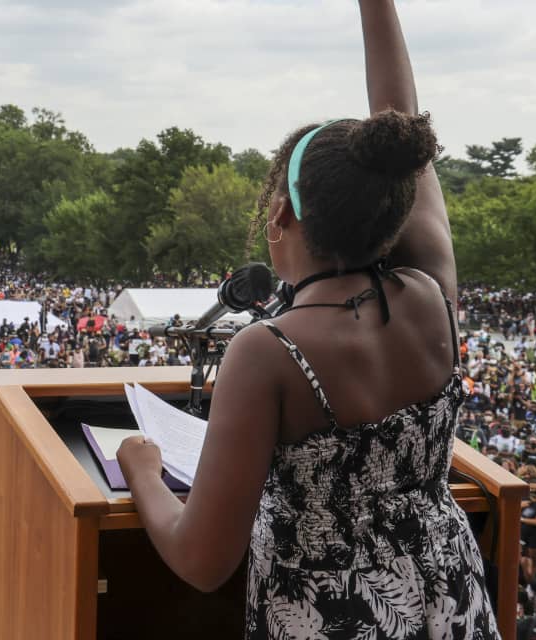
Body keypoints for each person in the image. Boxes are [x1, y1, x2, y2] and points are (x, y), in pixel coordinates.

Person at [115, 2, 496, 636]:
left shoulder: (268, 352)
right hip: (449, 598)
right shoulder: (431, 293)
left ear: (282, 218)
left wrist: (142, 471)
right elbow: (400, 121)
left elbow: (202, 560)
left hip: (332, 616)